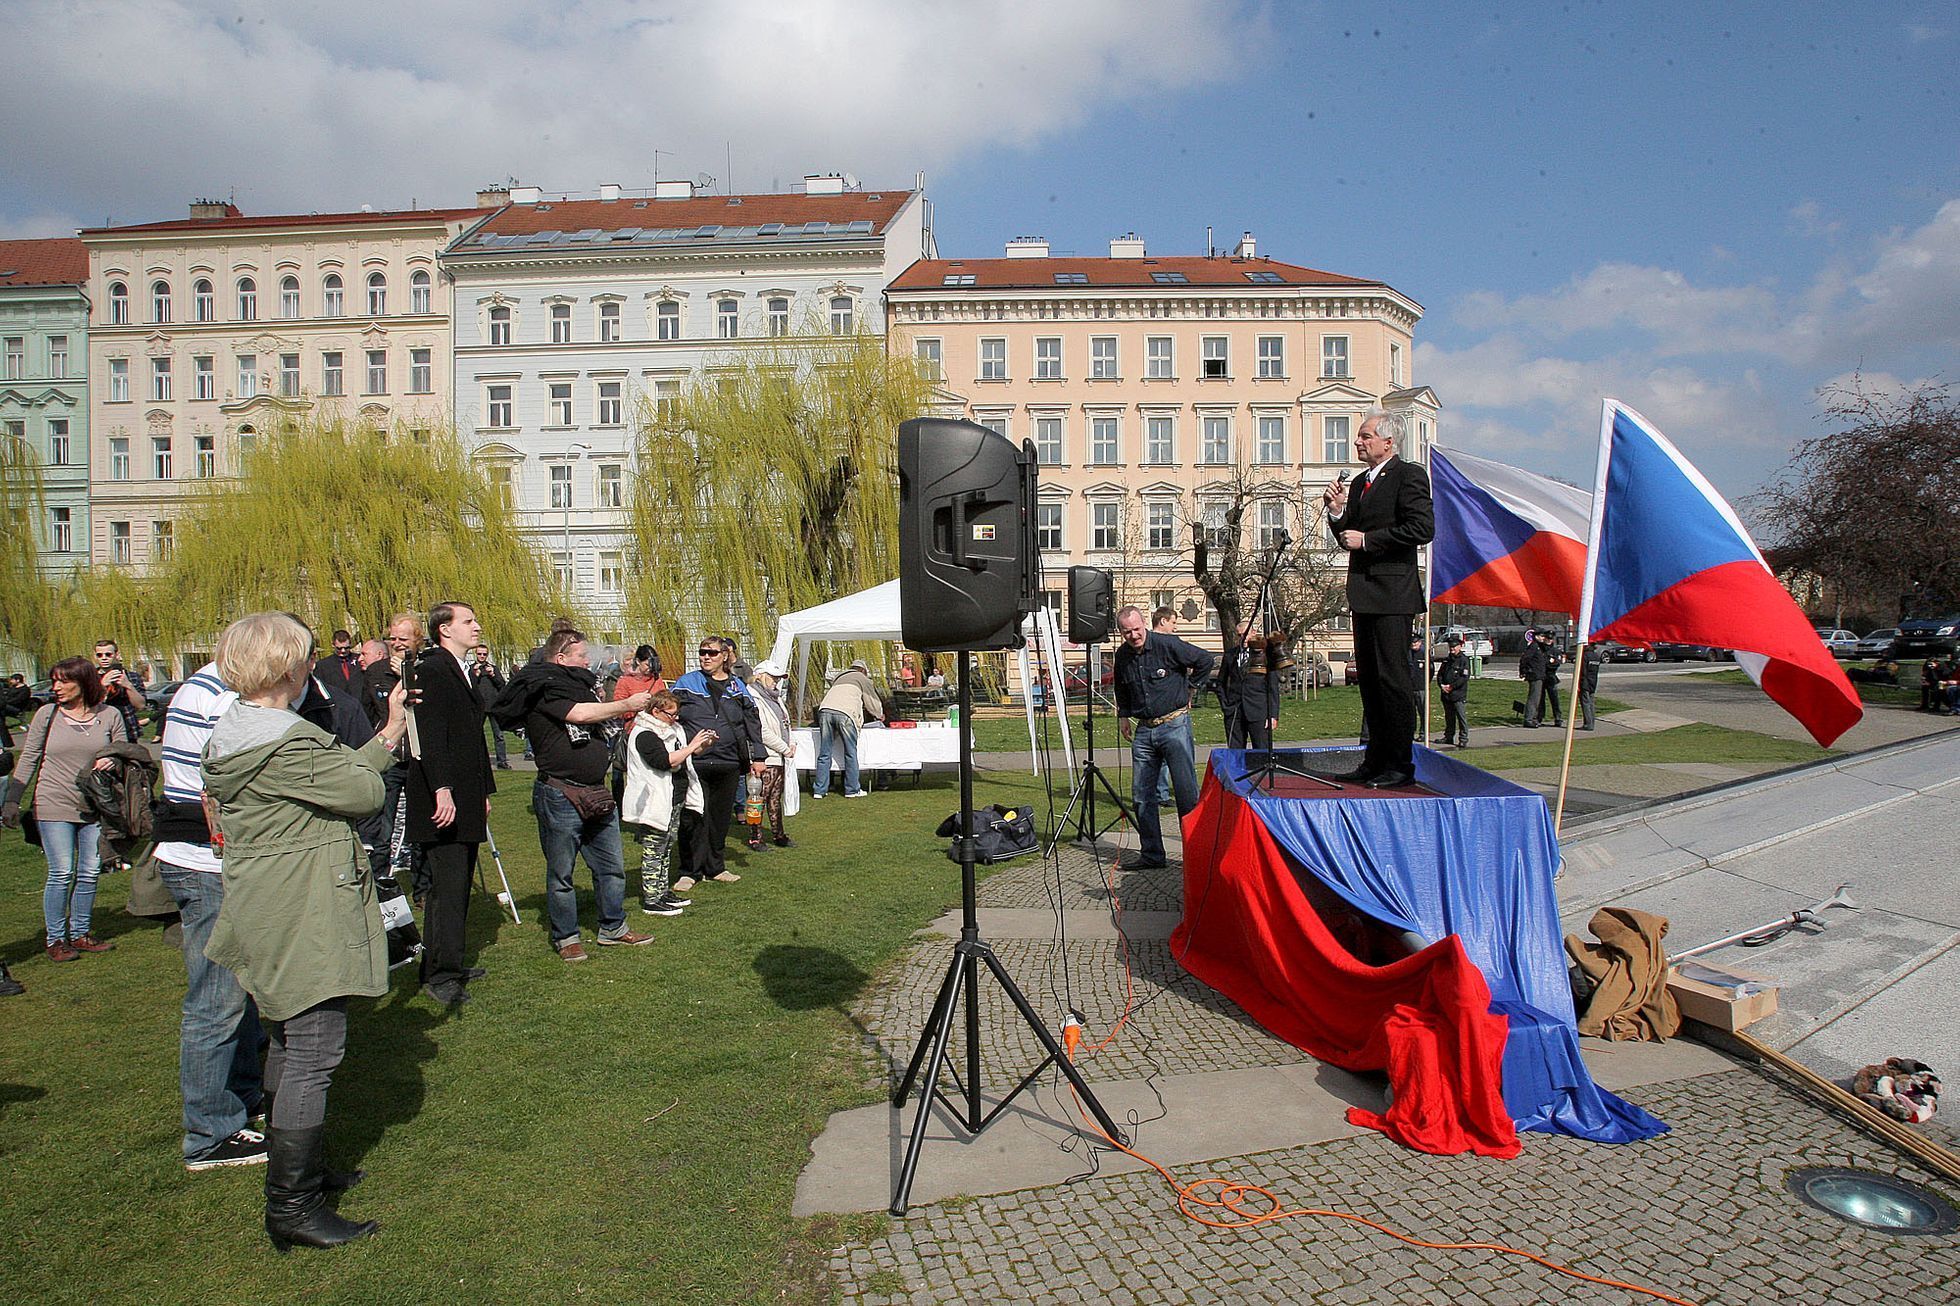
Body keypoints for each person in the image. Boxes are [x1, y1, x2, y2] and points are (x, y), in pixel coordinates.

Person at [200, 612, 409, 1250]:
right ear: (288, 666)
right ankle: (290, 1205)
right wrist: (389, 739)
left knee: (289, 1039)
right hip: (300, 908)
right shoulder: (283, 740)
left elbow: (340, 777)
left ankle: (305, 1179)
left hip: (270, 902)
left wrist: (390, 730)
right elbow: (361, 793)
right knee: (313, 1047)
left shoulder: (240, 730)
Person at [153, 658, 266, 1171]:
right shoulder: (222, 697)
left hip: (209, 859)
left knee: (240, 990)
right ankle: (210, 1132)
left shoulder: (214, 688)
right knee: (215, 998)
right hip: (204, 862)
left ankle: (241, 1100)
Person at [493, 627, 653, 960]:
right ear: (561, 658)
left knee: (611, 867)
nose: (588, 660)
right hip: (560, 794)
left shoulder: (579, 686)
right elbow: (579, 715)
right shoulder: (545, 687)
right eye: (582, 655)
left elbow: (593, 716)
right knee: (561, 873)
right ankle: (567, 937)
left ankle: (613, 927)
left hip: (596, 792)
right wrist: (626, 703)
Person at [1321, 408, 1434, 787]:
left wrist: (1368, 541)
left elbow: (1422, 527)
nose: (1358, 441)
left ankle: (1400, 764)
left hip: (1393, 594)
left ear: (1389, 441)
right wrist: (1337, 513)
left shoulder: (1408, 475)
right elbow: (1346, 534)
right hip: (1364, 592)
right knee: (1369, 680)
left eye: (1366, 436)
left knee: (1392, 680)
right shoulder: (1358, 483)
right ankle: (1374, 757)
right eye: (1359, 436)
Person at [4, 656, 131, 960]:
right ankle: (56, 939)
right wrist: (11, 800)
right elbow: (29, 759)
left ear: (84, 683)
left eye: (64, 681)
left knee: (89, 871)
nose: (56, 688)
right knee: (61, 872)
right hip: (52, 803)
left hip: (95, 805)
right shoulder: (47, 715)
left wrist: (113, 761)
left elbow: (126, 753)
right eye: (54, 681)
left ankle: (81, 933)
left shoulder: (109, 715)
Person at [404, 602, 496, 1006]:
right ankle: (439, 974)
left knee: (457, 885)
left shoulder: (462, 670)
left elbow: (474, 739)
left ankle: (450, 964)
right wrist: (442, 788)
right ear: (445, 630)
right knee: (446, 886)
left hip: (466, 792)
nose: (476, 627)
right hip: (444, 796)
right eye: (468, 621)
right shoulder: (433, 670)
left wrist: (483, 793)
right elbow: (429, 735)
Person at [1112, 604, 1214, 869]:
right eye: (1127, 632)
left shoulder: (1168, 645)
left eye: (1136, 629)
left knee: (1185, 793)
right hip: (1144, 730)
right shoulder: (1122, 656)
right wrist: (1123, 715)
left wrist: (1192, 687)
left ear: (1144, 623)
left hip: (1174, 725)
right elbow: (1121, 687)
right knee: (1142, 795)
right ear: (1121, 632)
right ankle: (1152, 855)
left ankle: (1195, 854)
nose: (1133, 636)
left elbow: (1205, 660)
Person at [672, 637, 767, 886]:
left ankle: (715, 867)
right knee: (692, 818)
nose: (705, 657)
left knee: (720, 818)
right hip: (696, 763)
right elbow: (667, 714)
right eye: (702, 652)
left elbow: (752, 721)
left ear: (725, 656)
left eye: (712, 653)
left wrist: (758, 756)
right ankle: (689, 871)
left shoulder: (737, 686)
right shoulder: (686, 683)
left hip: (728, 762)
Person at [621, 690, 706, 916]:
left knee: (667, 846)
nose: (675, 719)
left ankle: (661, 891)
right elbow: (664, 761)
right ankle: (651, 899)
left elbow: (683, 755)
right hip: (653, 800)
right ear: (655, 711)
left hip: (673, 798)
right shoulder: (644, 733)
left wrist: (702, 744)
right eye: (671, 714)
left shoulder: (670, 729)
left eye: (677, 714)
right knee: (653, 849)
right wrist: (691, 746)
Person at [811, 659, 883, 800]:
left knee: (825, 752)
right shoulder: (861, 678)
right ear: (863, 670)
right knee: (850, 752)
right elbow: (871, 700)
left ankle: (819, 790)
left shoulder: (839, 678)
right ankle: (852, 789)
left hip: (825, 711)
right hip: (846, 713)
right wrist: (879, 714)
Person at [747, 661, 797, 849]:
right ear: (760, 675)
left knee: (775, 797)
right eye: (773, 677)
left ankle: (779, 835)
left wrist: (790, 743)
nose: (776, 681)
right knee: (758, 798)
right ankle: (755, 837)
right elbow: (761, 731)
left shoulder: (776, 697)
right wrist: (785, 748)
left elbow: (785, 723)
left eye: (778, 678)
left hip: (779, 756)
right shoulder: (753, 697)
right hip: (765, 756)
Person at [1219, 618, 1281, 752]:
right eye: (1239, 635)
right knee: (1235, 751)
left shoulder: (1264, 656)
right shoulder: (1230, 655)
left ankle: (1260, 773)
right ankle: (1238, 773)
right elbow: (1220, 683)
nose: (1243, 638)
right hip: (1235, 711)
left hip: (1258, 711)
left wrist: (1273, 715)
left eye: (1245, 634)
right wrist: (1225, 705)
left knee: (1261, 751)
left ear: (1253, 633)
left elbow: (1273, 687)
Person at [1150, 607, 1186, 804]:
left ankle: (1161, 793)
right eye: (1173, 622)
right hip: (1164, 713)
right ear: (1162, 621)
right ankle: (1162, 794)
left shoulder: (1172, 644)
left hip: (1171, 709)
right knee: (1173, 758)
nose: (1175, 627)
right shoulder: (1167, 643)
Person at [94, 638, 149, 740]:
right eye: (99, 655)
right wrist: (102, 686)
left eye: (108, 654)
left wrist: (128, 685)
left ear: (116, 655)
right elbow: (87, 705)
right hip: (99, 728)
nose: (104, 658)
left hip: (127, 727)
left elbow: (141, 705)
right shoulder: (90, 678)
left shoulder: (131, 676)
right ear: (95, 656)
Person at [469, 646, 510, 768]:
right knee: (476, 734)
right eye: (480, 654)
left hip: (493, 706)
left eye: (484, 654)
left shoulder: (493, 668)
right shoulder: (471, 669)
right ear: (476, 654)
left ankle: (502, 761)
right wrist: (475, 675)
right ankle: (477, 760)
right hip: (479, 706)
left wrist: (493, 675)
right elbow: (469, 686)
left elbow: (502, 686)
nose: (482, 656)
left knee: (499, 735)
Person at [1437, 632, 1471, 748]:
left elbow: (1464, 678)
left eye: (1454, 647)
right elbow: (1440, 674)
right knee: (1449, 717)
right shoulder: (1447, 660)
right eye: (1450, 647)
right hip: (1446, 694)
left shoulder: (1463, 660)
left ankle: (1463, 738)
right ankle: (1449, 736)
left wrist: (1451, 687)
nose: (1452, 649)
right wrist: (1442, 685)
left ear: (1460, 646)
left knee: (1461, 717)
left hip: (1457, 694)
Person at [313, 630, 366, 704]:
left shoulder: (361, 660)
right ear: (333, 645)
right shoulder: (323, 665)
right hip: (337, 705)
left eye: (346, 648)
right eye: (339, 648)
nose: (343, 651)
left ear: (350, 644)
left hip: (361, 704)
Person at [1519, 628, 1550, 727]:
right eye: (1541, 636)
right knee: (1534, 698)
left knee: (1537, 698)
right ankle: (1529, 719)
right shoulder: (1533, 647)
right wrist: (1523, 671)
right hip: (1535, 675)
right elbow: (1524, 659)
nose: (1543, 638)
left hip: (1539, 675)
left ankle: (1534, 717)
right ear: (1536, 636)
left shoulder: (1540, 647)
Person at [1541, 631, 1566, 728]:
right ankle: (1540, 717)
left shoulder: (1555, 651)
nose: (1549, 640)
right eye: (1547, 638)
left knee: (1554, 699)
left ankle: (1558, 717)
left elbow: (1556, 663)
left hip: (1551, 676)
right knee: (1540, 699)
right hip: (1542, 676)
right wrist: (1549, 662)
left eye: (1550, 639)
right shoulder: (1541, 649)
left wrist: (1550, 663)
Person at [1577, 642, 1602, 731]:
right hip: (1593, 682)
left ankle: (1588, 723)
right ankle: (1591, 722)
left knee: (1586, 703)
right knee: (1591, 703)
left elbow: (1583, 671)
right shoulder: (1596, 656)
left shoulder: (1584, 656)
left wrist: (1580, 684)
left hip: (1585, 682)